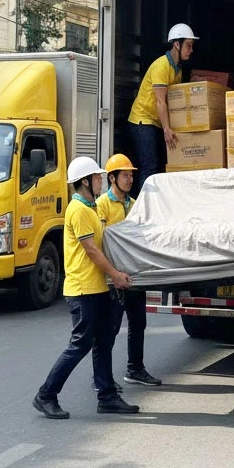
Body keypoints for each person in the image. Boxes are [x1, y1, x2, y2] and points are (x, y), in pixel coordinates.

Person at [33, 157, 140, 420]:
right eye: (96, 177)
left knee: (103, 342)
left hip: (97, 288)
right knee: (80, 345)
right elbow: (91, 250)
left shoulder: (90, 208)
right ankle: (46, 395)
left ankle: (107, 397)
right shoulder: (79, 210)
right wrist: (115, 275)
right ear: (84, 182)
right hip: (82, 290)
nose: (100, 180)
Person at [97, 153, 161, 387]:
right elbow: (101, 242)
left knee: (138, 323)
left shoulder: (134, 205)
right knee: (110, 329)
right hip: (113, 277)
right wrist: (112, 273)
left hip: (133, 276)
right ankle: (102, 378)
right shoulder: (102, 205)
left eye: (131, 175)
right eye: (125, 175)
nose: (130, 179)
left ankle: (135, 369)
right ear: (112, 178)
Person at [127, 23, 197, 194]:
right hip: (142, 120)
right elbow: (160, 101)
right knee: (149, 166)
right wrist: (167, 129)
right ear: (177, 44)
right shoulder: (161, 66)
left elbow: (173, 100)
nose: (191, 50)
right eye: (188, 45)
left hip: (155, 121)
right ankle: (144, 206)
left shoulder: (177, 69)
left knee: (158, 166)